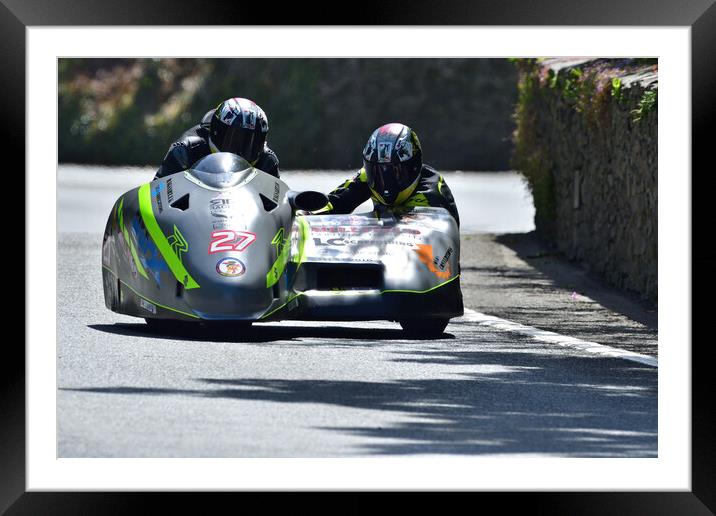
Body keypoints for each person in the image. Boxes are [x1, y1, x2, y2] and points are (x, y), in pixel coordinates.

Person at [314, 123, 459, 225]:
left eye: (395, 173)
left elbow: (446, 240)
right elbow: (335, 202)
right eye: (377, 173)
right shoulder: (366, 177)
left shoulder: (433, 190)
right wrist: (307, 213)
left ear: (413, 166)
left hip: (420, 255)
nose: (386, 182)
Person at [154, 97, 280, 179]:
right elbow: (157, 195)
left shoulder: (267, 160)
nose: (240, 151)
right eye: (234, 140)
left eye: (250, 143)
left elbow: (279, 204)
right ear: (216, 132)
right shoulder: (185, 150)